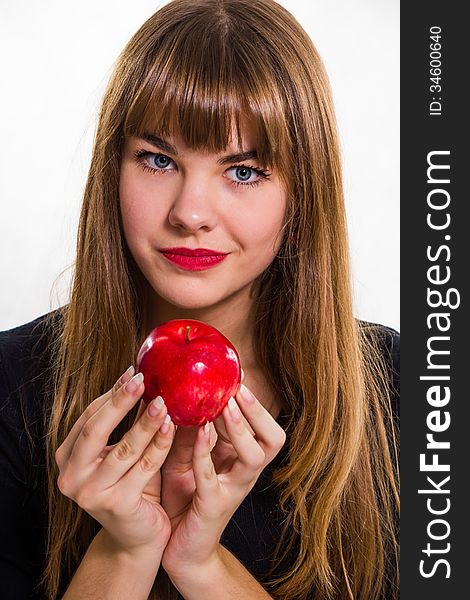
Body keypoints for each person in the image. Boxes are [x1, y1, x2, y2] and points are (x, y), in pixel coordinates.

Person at [0, 0, 399, 598]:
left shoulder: (400, 387)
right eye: (158, 160)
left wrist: (202, 563)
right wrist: (126, 547)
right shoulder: (14, 384)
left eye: (243, 171)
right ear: (113, 169)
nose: (189, 214)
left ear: (304, 193)